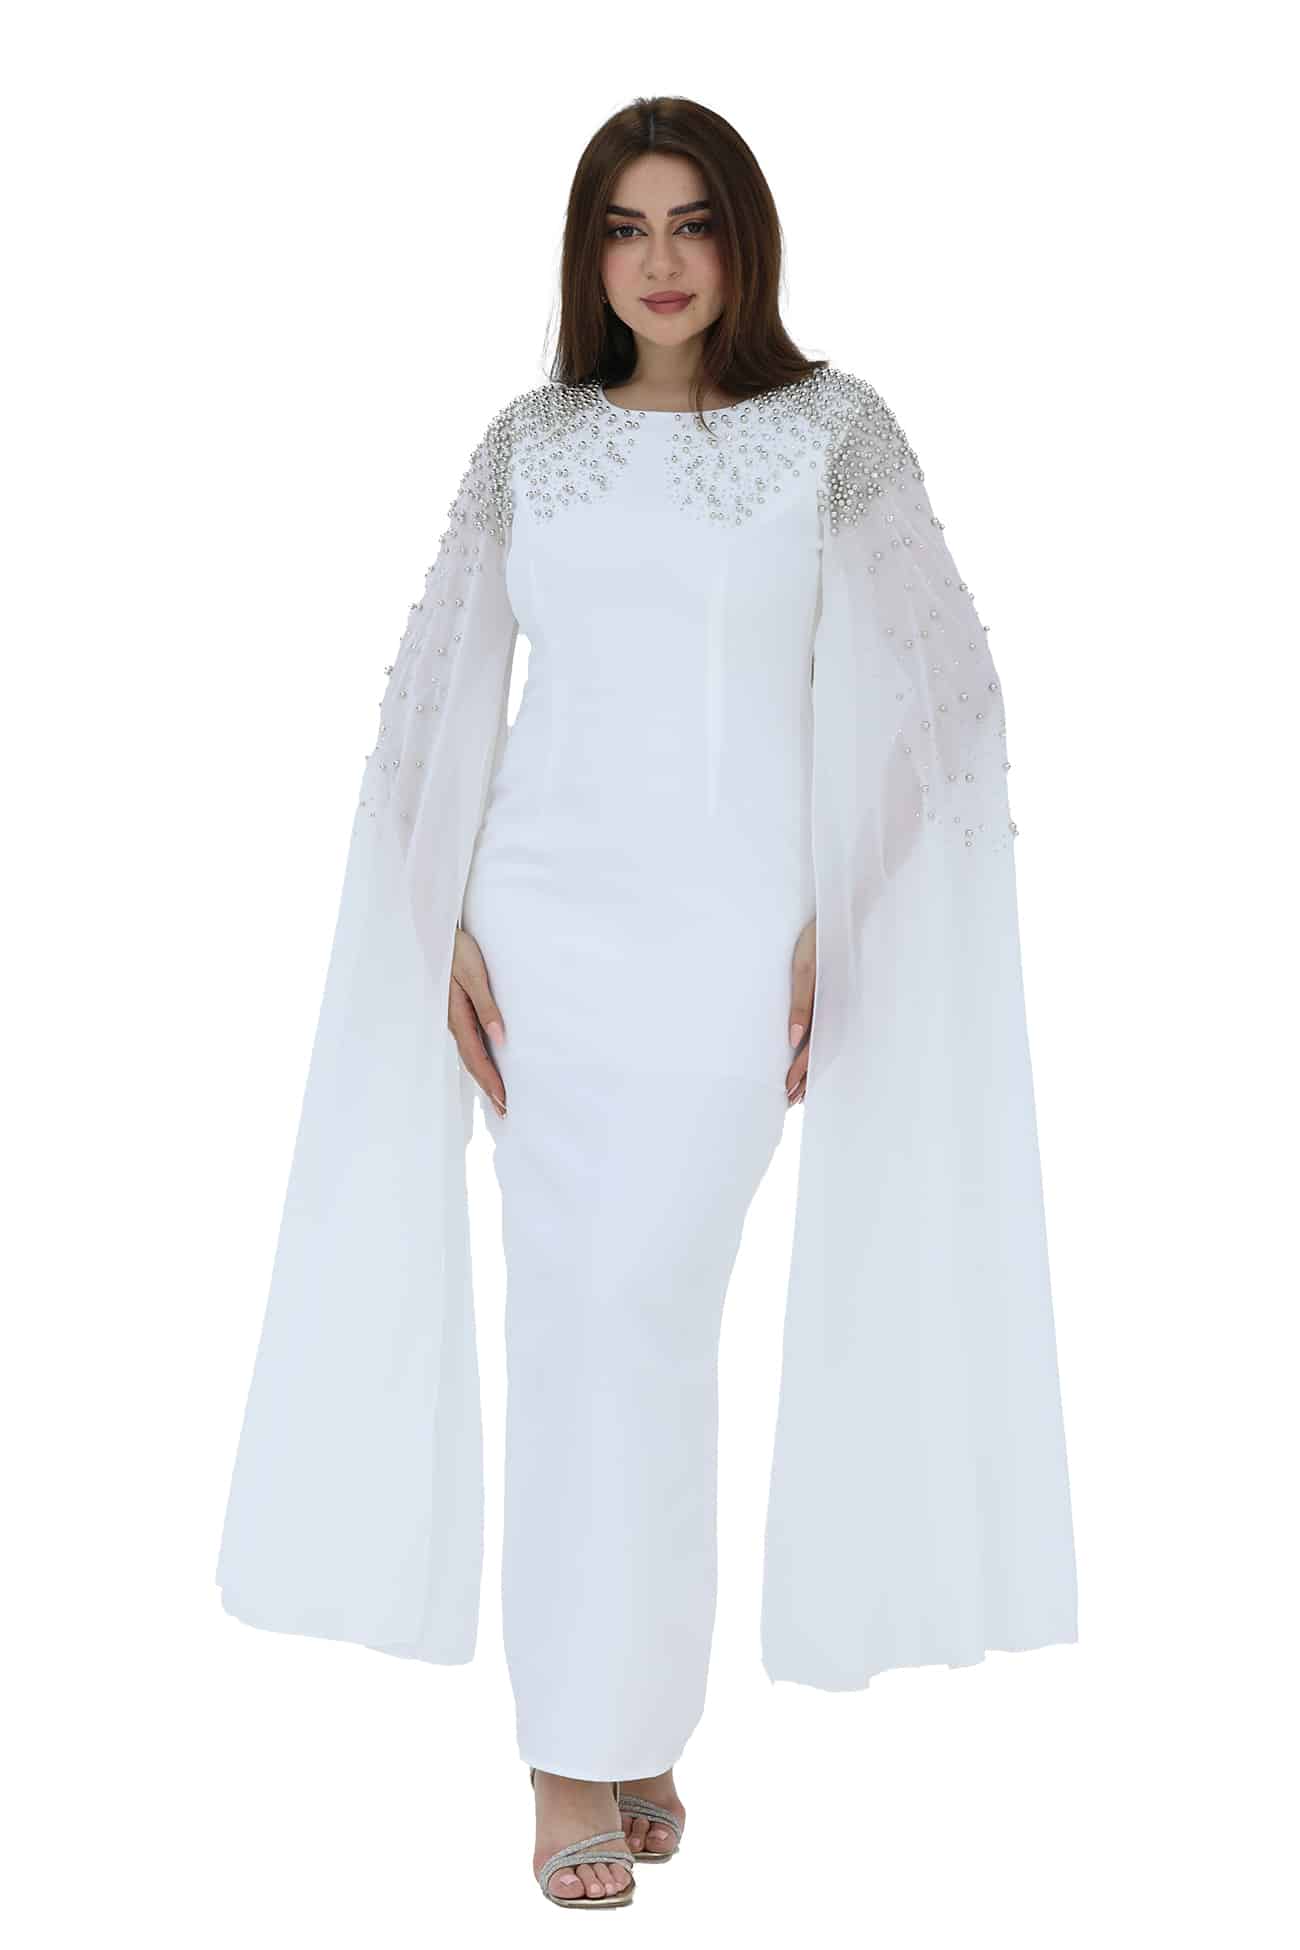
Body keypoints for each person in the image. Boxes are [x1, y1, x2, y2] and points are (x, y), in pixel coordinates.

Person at [216, 96, 1078, 1912]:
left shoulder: (833, 431)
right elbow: (433, 696)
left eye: (692, 223)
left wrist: (843, 917)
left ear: (745, 240)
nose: (661, 260)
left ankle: (621, 1713)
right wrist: (437, 917)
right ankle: (583, 1748)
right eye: (625, 226)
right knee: (581, 1325)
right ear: (586, 254)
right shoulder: (527, 444)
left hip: (729, 945)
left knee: (650, 1323)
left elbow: (949, 698)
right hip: (540, 934)